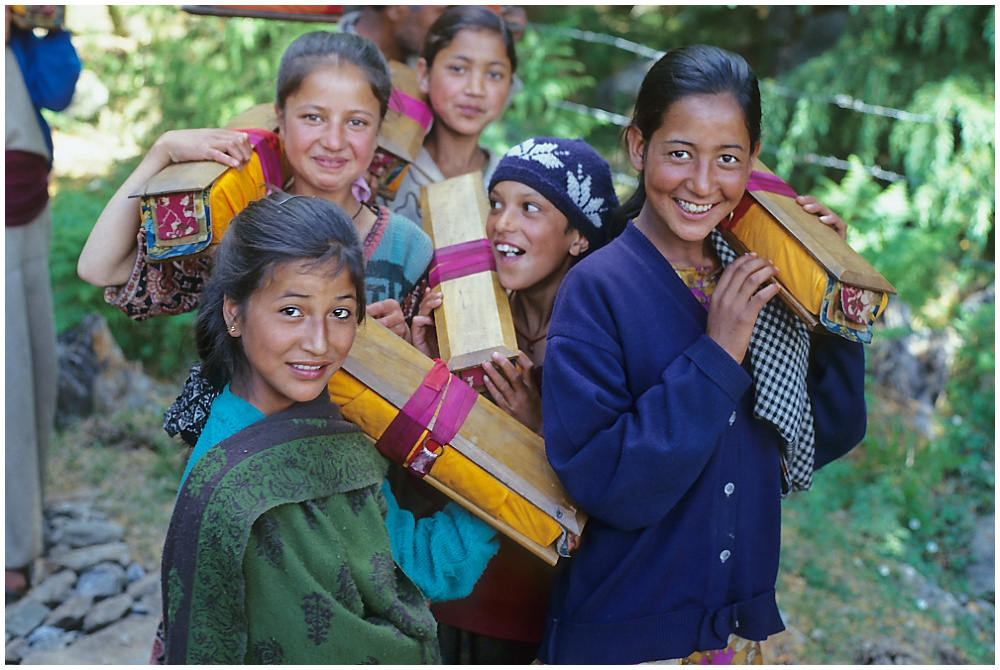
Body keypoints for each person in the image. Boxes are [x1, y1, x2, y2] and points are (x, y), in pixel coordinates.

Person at [537, 45, 868, 664]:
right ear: (639, 148)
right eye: (679, 153)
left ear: (753, 162)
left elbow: (830, 431)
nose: (701, 183)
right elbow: (607, 482)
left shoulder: (760, 279)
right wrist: (718, 352)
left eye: (728, 160)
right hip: (625, 635)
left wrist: (832, 295)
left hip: (729, 639)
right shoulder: (599, 287)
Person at [160, 193, 498, 664]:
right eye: (292, 311)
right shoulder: (230, 486)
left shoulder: (341, 431)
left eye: (340, 312)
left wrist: (501, 470)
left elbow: (415, 565)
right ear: (233, 313)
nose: (319, 343)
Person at [78, 30, 431, 342]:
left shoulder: (406, 247)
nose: (334, 141)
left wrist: (401, 348)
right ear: (280, 116)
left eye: (356, 121)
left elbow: (431, 376)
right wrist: (160, 153)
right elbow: (99, 268)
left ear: (379, 127)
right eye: (313, 117)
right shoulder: (236, 229)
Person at [412, 136, 620, 663]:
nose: (503, 222)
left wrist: (534, 427)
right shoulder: (470, 319)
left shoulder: (598, 346)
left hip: (531, 612)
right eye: (497, 203)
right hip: (438, 592)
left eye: (530, 208)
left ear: (577, 237)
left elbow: (610, 487)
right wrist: (425, 368)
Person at [5, 6, 81, 600]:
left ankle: (16, 535)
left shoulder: (21, 38)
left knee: (25, 367)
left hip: (22, 215)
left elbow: (58, 91)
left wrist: (44, 26)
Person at [380, 5, 517, 228]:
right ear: (424, 74)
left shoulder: (512, 184)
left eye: (494, 74)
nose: (476, 89)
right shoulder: (384, 171)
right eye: (458, 69)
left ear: (510, 84)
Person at [338, 4, 446, 66]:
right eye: (440, 12)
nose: (445, 23)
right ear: (395, 8)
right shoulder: (327, 59)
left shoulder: (424, 68)